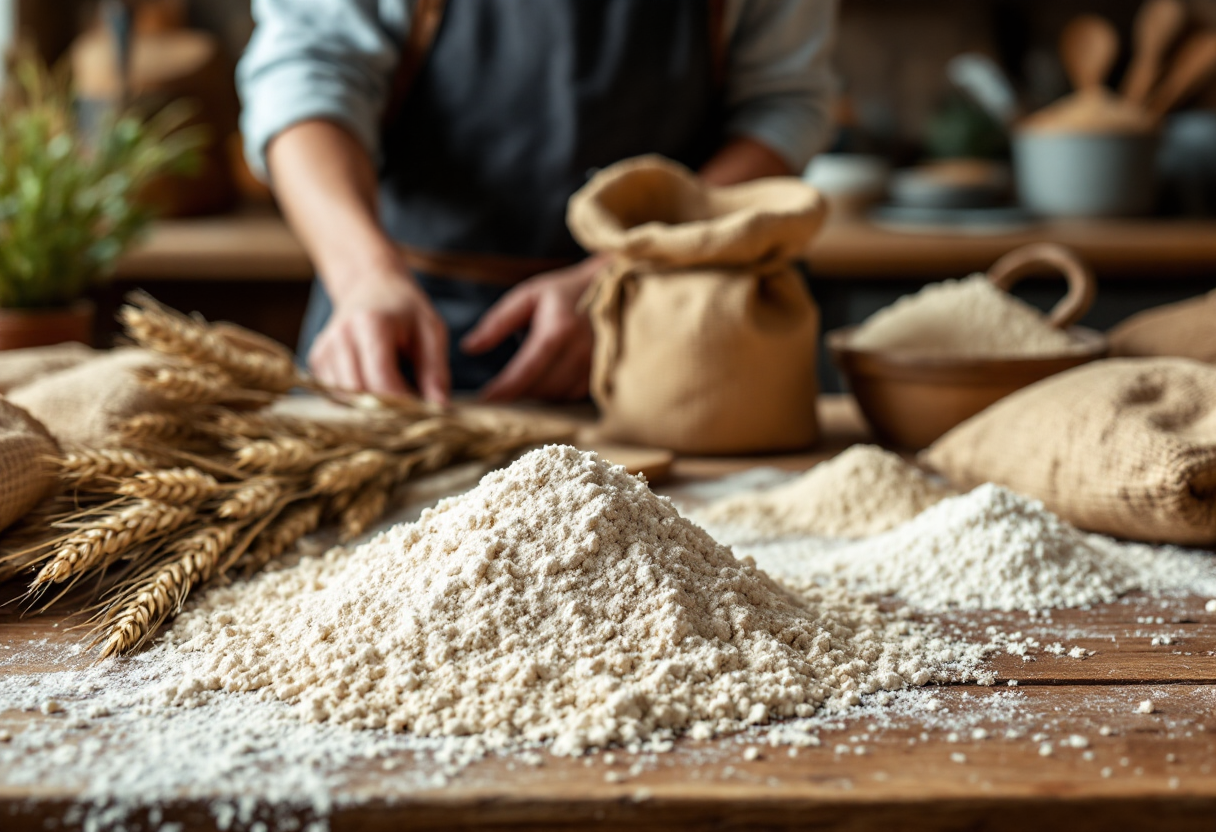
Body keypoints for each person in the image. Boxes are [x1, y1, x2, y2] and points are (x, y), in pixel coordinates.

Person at [239, 0, 836, 404]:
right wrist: (364, 276)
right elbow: (306, 78)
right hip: (409, 332)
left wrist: (625, 273)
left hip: (678, 325)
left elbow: (781, 106)